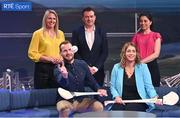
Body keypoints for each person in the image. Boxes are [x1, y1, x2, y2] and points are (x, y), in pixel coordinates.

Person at [54, 41, 107, 117]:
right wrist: (64, 75)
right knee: (63, 108)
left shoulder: (82, 64)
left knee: (98, 106)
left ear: (73, 50)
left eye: (69, 49)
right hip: (65, 101)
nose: (68, 53)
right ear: (60, 53)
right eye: (65, 51)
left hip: (82, 101)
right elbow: (62, 83)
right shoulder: (58, 67)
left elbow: (92, 81)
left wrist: (98, 89)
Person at [110, 42, 161, 112]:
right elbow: (112, 86)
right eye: (128, 51)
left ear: (136, 54)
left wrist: (154, 97)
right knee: (115, 112)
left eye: (133, 51)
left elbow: (149, 86)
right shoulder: (116, 67)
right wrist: (116, 97)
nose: (131, 53)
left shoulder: (143, 67)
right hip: (121, 101)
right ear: (124, 53)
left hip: (139, 101)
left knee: (130, 111)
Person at [70, 7, 108, 87]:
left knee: (98, 97)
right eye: (86, 17)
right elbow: (75, 52)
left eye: (91, 16)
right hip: (81, 72)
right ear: (83, 18)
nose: (89, 19)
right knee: (83, 98)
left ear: (95, 17)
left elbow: (105, 52)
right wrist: (85, 67)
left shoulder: (101, 31)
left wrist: (96, 67)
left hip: (98, 72)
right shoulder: (76, 32)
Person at [28, 9, 65, 89]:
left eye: (54, 19)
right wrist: (48, 59)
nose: (52, 21)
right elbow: (32, 53)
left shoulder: (60, 34)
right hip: (42, 69)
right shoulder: (38, 34)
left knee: (57, 93)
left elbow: (63, 51)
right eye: (49, 18)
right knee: (42, 94)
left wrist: (61, 58)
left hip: (57, 68)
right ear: (45, 19)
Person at [132, 13, 162, 87]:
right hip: (139, 68)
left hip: (152, 67)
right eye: (141, 21)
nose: (143, 23)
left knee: (153, 92)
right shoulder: (136, 36)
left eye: (145, 21)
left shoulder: (156, 35)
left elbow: (156, 54)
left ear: (150, 22)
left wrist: (141, 62)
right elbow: (132, 51)